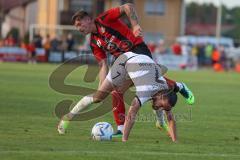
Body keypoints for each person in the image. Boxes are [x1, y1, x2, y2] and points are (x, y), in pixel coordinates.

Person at [71, 3, 194, 137]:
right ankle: (124, 128)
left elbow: (127, 7)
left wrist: (135, 25)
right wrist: (101, 85)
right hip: (124, 63)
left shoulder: (104, 19)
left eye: (79, 24)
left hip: (137, 49)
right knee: (119, 92)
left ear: (88, 19)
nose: (79, 28)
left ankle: (178, 87)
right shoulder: (94, 43)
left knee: (152, 86)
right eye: (76, 26)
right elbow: (103, 65)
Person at [58, 51, 191, 142]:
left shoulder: (165, 93)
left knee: (128, 93)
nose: (161, 108)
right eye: (162, 105)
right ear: (162, 95)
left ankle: (161, 122)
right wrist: (125, 141)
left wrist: (175, 141)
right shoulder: (146, 90)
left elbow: (171, 117)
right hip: (124, 62)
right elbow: (131, 114)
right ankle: (68, 116)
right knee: (99, 97)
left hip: (142, 65)